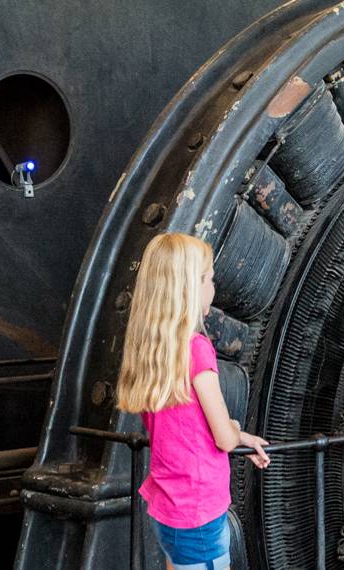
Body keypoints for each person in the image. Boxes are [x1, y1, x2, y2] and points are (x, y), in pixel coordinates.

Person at [116, 233, 271, 570]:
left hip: (170, 507)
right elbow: (221, 437)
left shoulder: (154, 354)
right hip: (200, 510)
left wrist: (240, 434)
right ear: (189, 288)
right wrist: (234, 432)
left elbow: (186, 427)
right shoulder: (196, 350)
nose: (213, 288)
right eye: (209, 278)